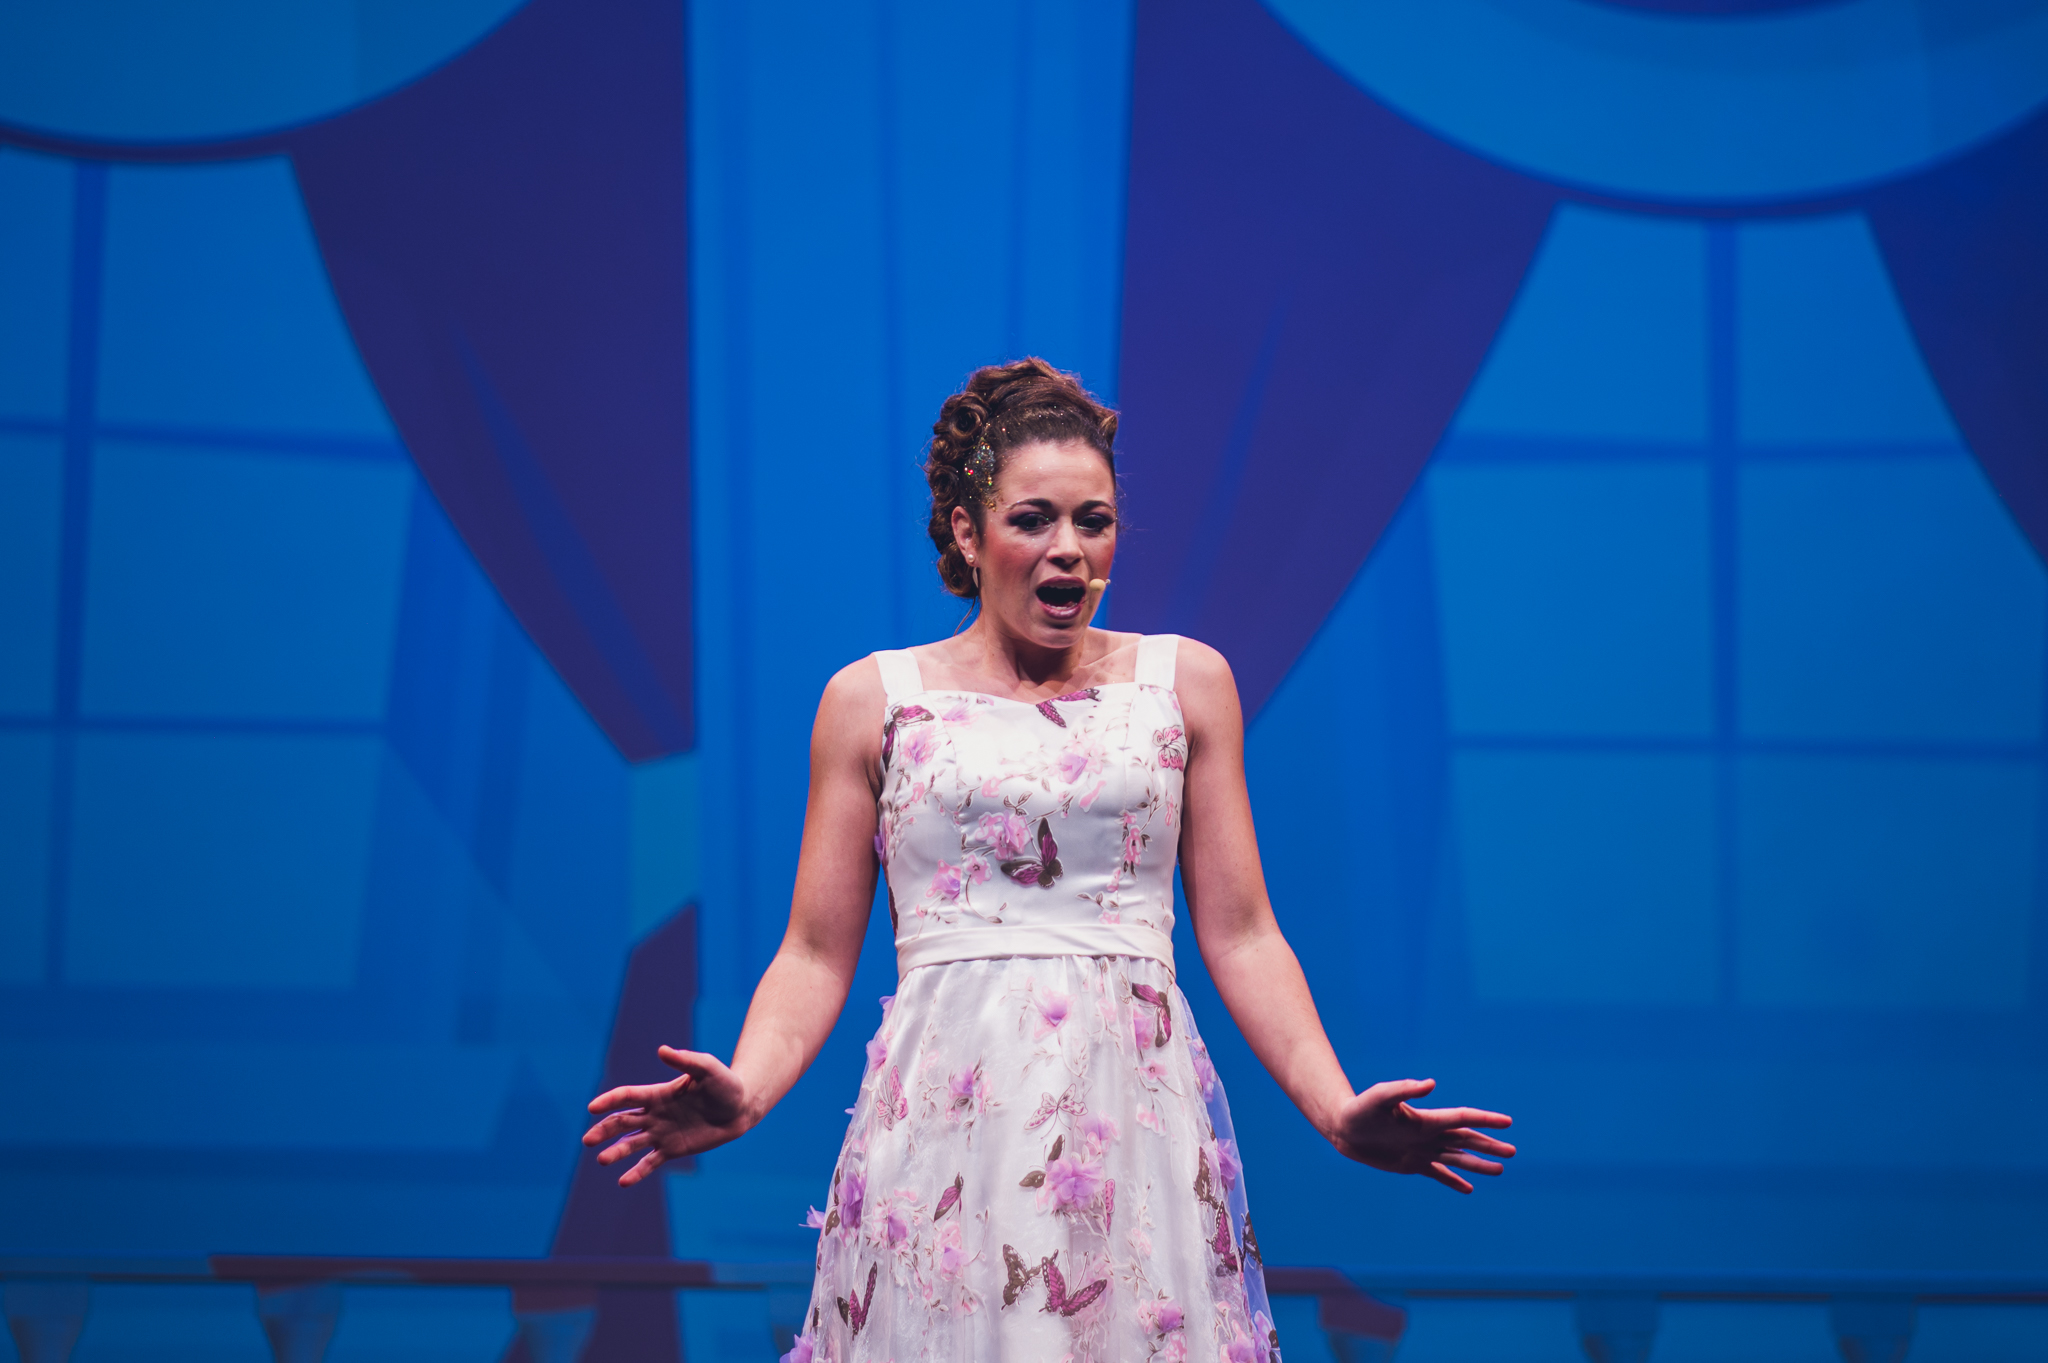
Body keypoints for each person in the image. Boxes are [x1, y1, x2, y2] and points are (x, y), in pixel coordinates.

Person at [583, 359, 1515, 1362]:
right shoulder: (871, 700)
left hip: (1131, 1122)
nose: (1068, 547)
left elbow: (1243, 933)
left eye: (1093, 520)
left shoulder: (1186, 683)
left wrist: (1334, 1107)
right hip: (946, 1128)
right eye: (1032, 518)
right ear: (966, 531)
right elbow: (813, 951)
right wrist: (749, 1088)